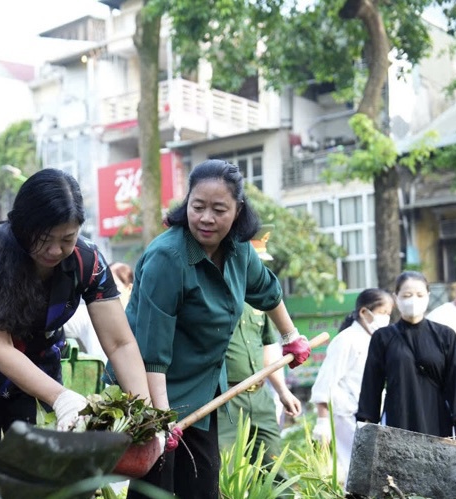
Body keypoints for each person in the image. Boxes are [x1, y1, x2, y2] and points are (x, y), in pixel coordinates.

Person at [115, 160, 311, 499]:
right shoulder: (168, 258)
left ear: (238, 211)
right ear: (186, 203)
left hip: (203, 389)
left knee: (202, 482)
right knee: (155, 488)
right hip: (152, 387)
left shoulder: (239, 250)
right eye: (198, 206)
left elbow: (268, 291)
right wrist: (160, 417)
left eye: (219, 209)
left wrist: (290, 337)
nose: (206, 218)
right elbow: (152, 352)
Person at [0, 168, 153, 468]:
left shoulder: (88, 261)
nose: (55, 250)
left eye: (67, 238)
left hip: (37, 373)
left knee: (39, 476)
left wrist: (144, 415)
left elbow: (120, 343)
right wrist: (62, 398)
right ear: (23, 226)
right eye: (44, 238)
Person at [217, 225, 302, 474]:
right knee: (226, 472)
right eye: (255, 265)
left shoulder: (263, 302)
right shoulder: (215, 298)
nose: (259, 272)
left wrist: (283, 391)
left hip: (261, 398)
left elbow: (268, 347)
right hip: (226, 398)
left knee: (273, 470)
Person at [356, 271, 456, 443]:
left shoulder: (445, 335)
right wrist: (366, 424)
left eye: (419, 295)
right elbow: (372, 384)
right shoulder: (383, 337)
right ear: (396, 298)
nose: (413, 300)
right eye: (406, 295)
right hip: (398, 418)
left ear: (428, 296)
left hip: (437, 419)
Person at [310, 287, 394, 481]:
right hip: (345, 416)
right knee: (350, 472)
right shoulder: (346, 340)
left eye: (389, 314)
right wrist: (322, 423)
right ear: (364, 312)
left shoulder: (374, 340)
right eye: (383, 313)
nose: (386, 318)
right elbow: (325, 383)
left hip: (367, 417)